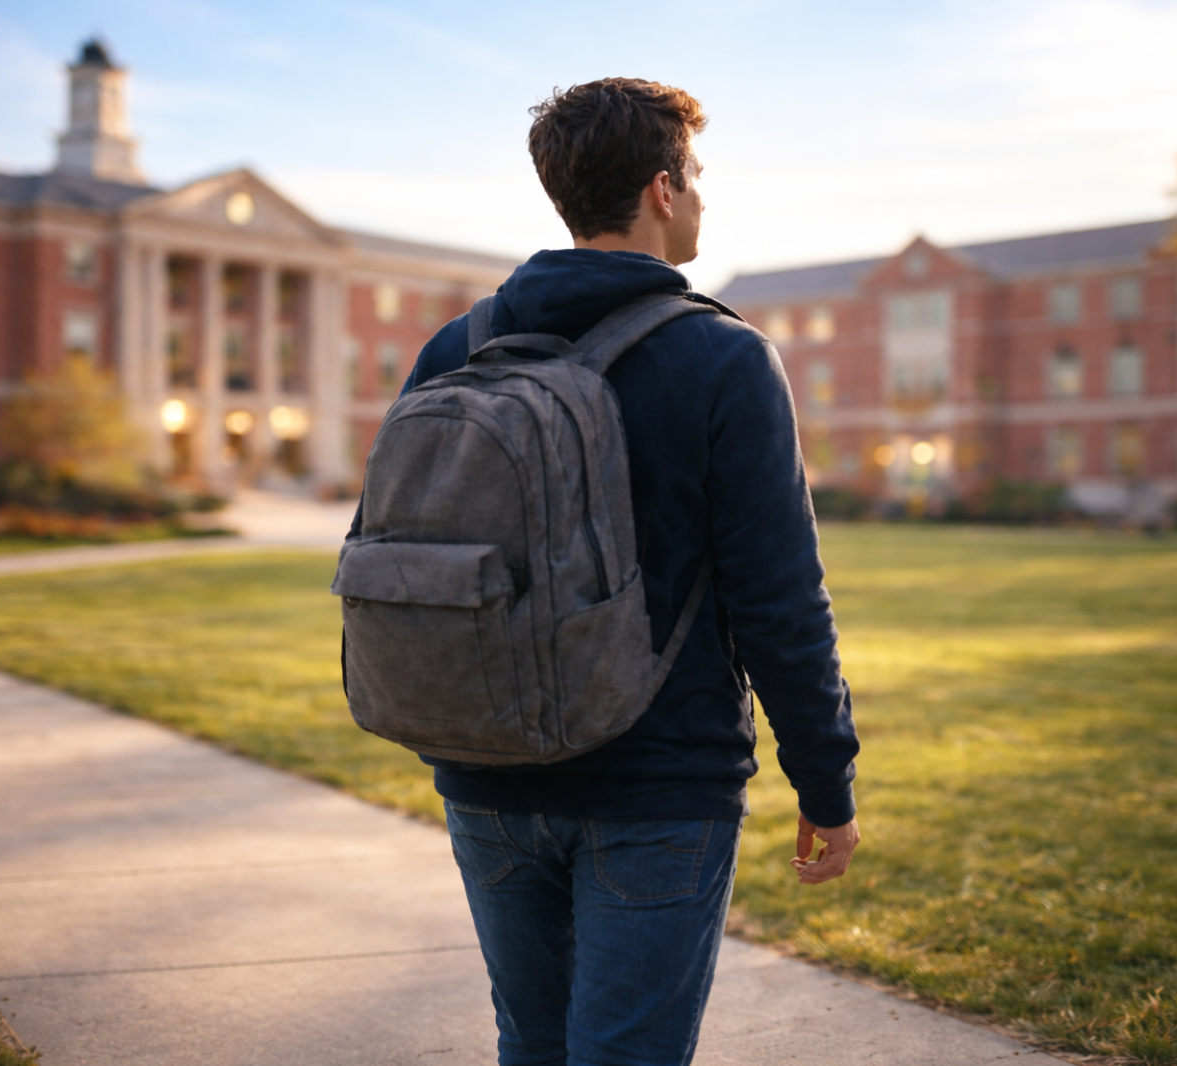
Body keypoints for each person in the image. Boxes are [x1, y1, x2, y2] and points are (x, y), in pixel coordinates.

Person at [381, 78, 860, 1066]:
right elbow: (779, 599)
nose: (700, 198)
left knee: (534, 1044)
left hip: (486, 770)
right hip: (659, 781)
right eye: (697, 177)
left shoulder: (453, 349)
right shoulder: (724, 359)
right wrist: (826, 780)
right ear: (661, 188)